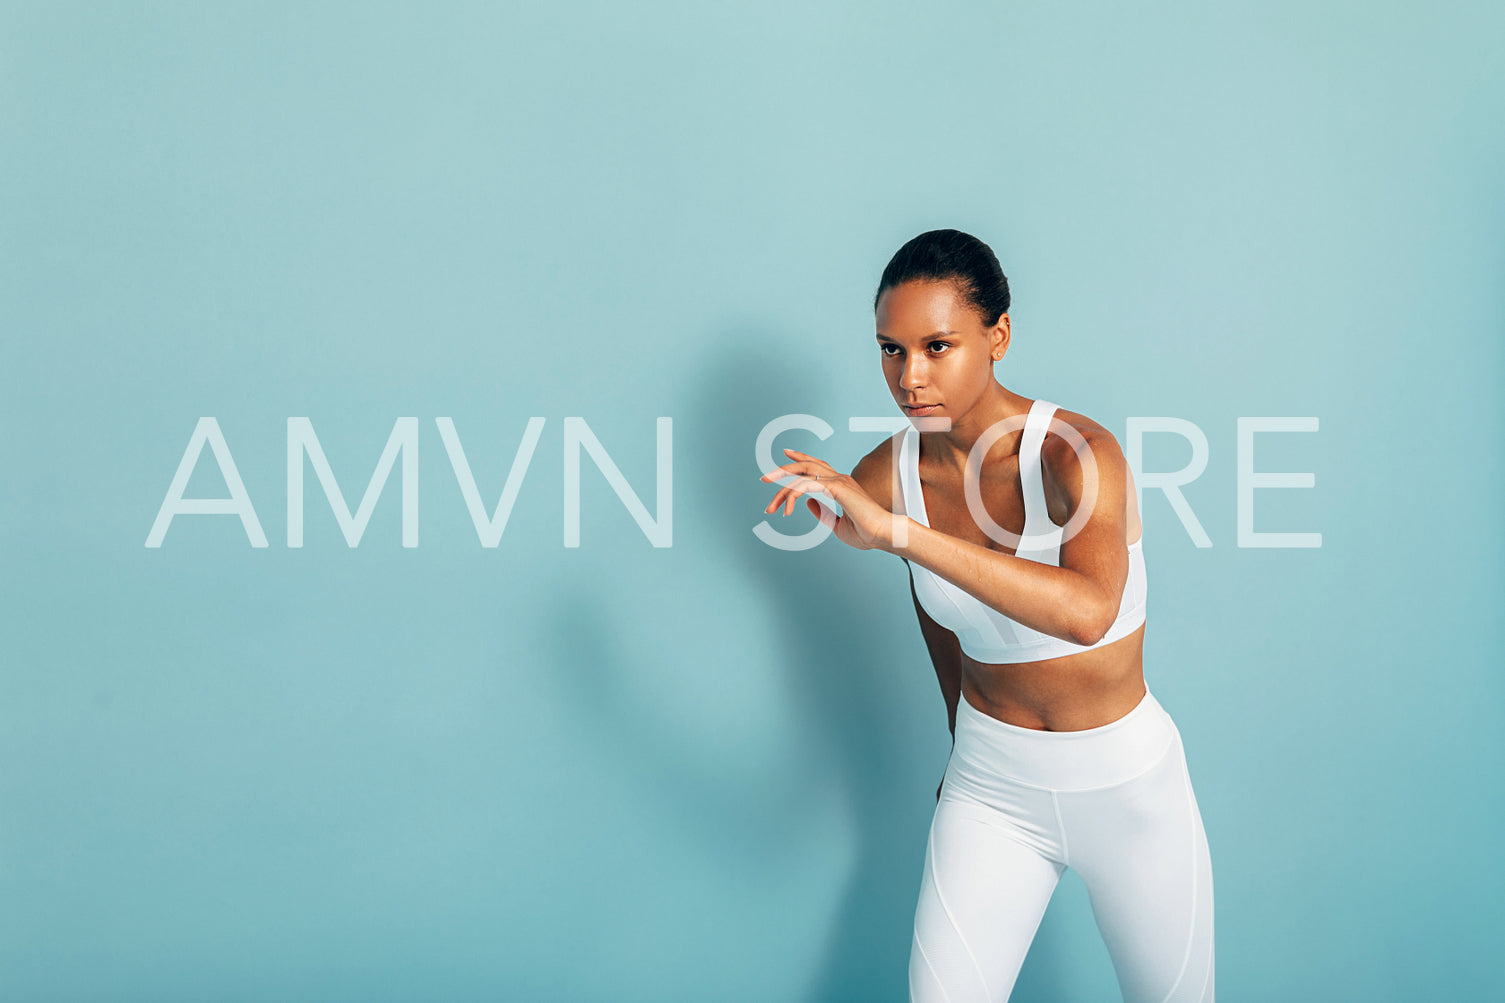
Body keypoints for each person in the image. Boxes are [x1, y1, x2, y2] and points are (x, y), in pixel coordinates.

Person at [760, 229, 1215, 1001]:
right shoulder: (887, 474)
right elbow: (941, 615)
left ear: (997, 335)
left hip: (1127, 786)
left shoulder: (1073, 453)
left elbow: (1088, 611)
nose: (910, 376)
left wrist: (898, 533)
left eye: (937, 345)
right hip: (991, 786)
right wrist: (955, 741)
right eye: (890, 349)